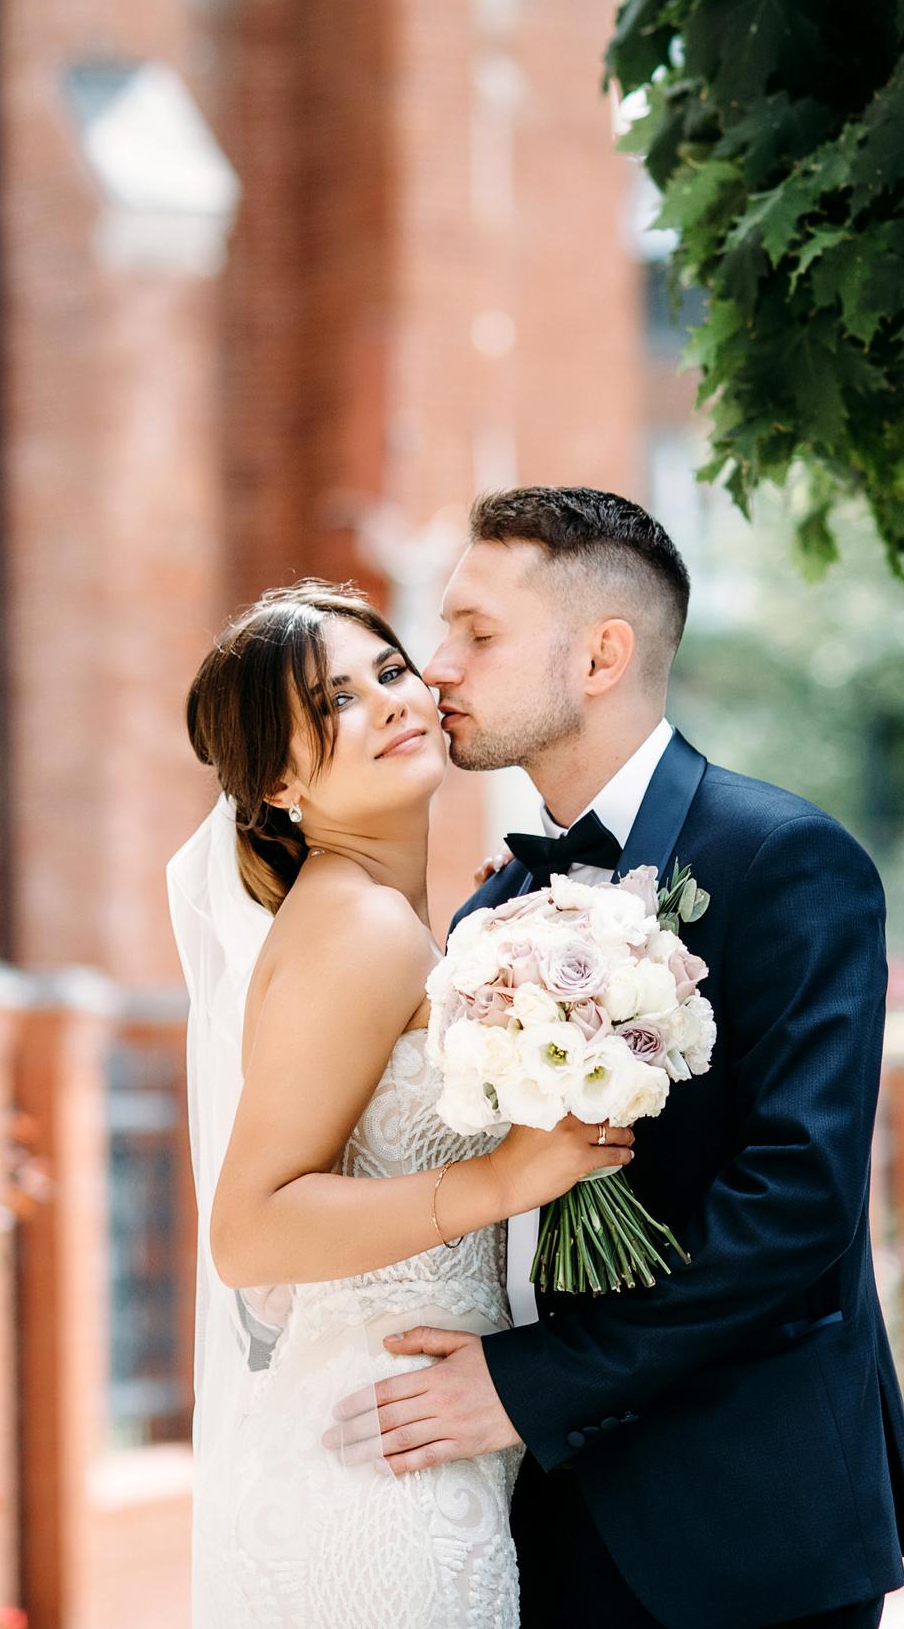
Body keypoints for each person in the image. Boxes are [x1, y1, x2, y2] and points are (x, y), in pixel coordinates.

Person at [349, 487, 904, 1629]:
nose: (435, 668)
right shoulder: (495, 910)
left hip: (743, 1519)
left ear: (600, 656)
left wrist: (528, 1388)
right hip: (533, 1520)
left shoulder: (787, 861)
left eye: (477, 632)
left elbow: (798, 1203)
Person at [171, 582, 633, 1628]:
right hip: (378, 1470)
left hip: (410, 1438)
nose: (389, 702)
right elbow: (249, 1235)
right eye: (334, 701)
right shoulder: (358, 930)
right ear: (279, 781)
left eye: (388, 671)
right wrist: (502, 1179)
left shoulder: (398, 924)